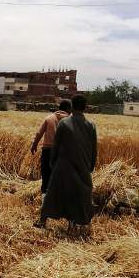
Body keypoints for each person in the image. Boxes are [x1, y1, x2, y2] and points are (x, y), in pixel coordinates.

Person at [35, 95, 97, 236]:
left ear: (72, 107)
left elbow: (56, 146)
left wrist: (53, 162)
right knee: (80, 195)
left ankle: (42, 221)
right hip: (82, 166)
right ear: (85, 107)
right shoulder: (91, 125)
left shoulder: (64, 123)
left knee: (53, 193)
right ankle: (74, 223)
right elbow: (94, 149)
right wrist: (91, 166)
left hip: (63, 166)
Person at [30, 100, 71, 194]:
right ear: (68, 108)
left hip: (47, 151)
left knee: (46, 176)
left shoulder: (49, 118)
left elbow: (39, 133)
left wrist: (34, 145)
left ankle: (45, 199)